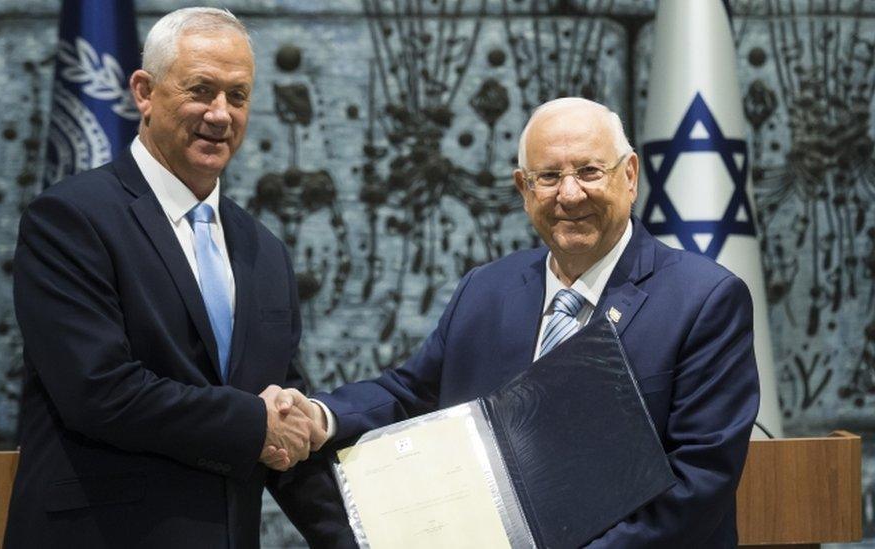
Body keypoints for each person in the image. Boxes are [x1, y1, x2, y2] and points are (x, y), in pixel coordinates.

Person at [292, 97, 760, 547]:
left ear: (630, 175)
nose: (570, 194)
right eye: (549, 176)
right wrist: (317, 417)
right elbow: (409, 395)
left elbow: (698, 484)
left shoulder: (704, 300)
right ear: (523, 188)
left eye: (590, 171)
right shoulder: (485, 290)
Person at [3, 8, 348, 548]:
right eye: (201, 90)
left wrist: (365, 538)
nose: (220, 114)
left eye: (238, 96)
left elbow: (285, 420)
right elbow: (101, 391)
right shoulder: (70, 219)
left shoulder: (266, 252)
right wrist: (256, 425)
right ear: (144, 91)